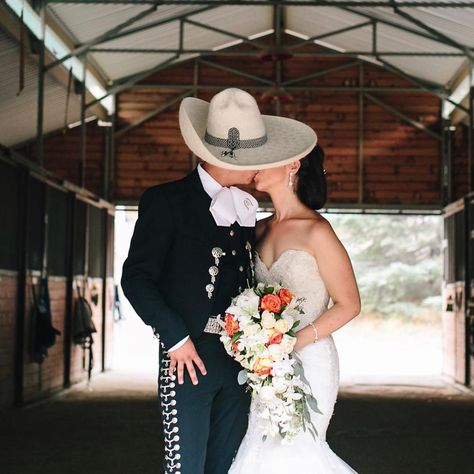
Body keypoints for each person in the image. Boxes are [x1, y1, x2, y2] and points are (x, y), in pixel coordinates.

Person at [121, 87, 316, 474]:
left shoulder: (245, 207)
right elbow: (136, 278)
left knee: (225, 466)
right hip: (187, 358)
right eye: (259, 157)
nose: (263, 166)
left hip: (238, 360)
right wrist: (175, 339)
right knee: (185, 467)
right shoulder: (167, 201)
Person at [228, 144, 361, 473]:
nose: (255, 167)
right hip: (265, 362)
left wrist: (292, 343)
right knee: (260, 446)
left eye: (265, 160)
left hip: (310, 359)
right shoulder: (256, 229)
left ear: (293, 165)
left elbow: (349, 304)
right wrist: (257, 345)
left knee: (297, 448)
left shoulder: (317, 231)